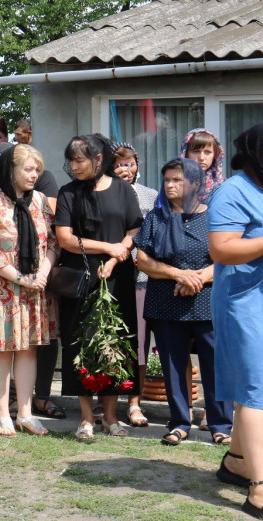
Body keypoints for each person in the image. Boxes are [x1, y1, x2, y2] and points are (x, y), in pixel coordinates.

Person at [134, 157, 231, 446]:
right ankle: (179, 423)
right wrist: (179, 274)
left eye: (178, 179)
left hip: (208, 305)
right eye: (167, 180)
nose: (171, 185)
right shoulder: (157, 217)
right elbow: (142, 259)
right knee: (173, 366)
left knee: (215, 366)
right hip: (166, 304)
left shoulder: (215, 217)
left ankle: (221, 425)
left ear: (195, 184)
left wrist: (197, 278)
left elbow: (225, 259)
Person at [54, 134, 143, 440]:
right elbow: (64, 238)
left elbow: (134, 228)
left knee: (115, 345)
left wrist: (116, 258)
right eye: (72, 160)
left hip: (117, 279)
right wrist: (108, 247)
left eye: (80, 160)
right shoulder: (68, 193)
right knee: (81, 344)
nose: (74, 166)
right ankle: (87, 418)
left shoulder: (122, 189)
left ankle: (111, 416)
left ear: (98, 159)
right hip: (81, 278)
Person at [0, 144, 58, 436]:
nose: (34, 175)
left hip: (34, 289)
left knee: (28, 351)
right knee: (1, 351)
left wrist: (42, 275)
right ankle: (1, 414)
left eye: (37, 169)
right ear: (11, 170)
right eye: (28, 169)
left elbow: (52, 243)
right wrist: (23, 279)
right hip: (2, 290)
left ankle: (25, 413)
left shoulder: (41, 202)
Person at [207, 125, 263, 519]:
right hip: (244, 303)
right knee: (257, 390)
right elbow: (222, 249)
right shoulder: (233, 191)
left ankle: (237, 462)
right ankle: (259, 489)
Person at [112, 141, 159, 428]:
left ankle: (134, 402)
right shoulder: (103, 192)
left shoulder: (151, 195)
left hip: (141, 279)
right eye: (119, 164)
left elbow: (155, 233)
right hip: (110, 276)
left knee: (139, 344)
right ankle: (105, 396)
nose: (125, 169)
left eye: (129, 163)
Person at [181, 127, 225, 203]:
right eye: (196, 151)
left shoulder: (223, 186)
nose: (201, 158)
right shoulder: (175, 182)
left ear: (215, 155)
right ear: (186, 154)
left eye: (207, 152)